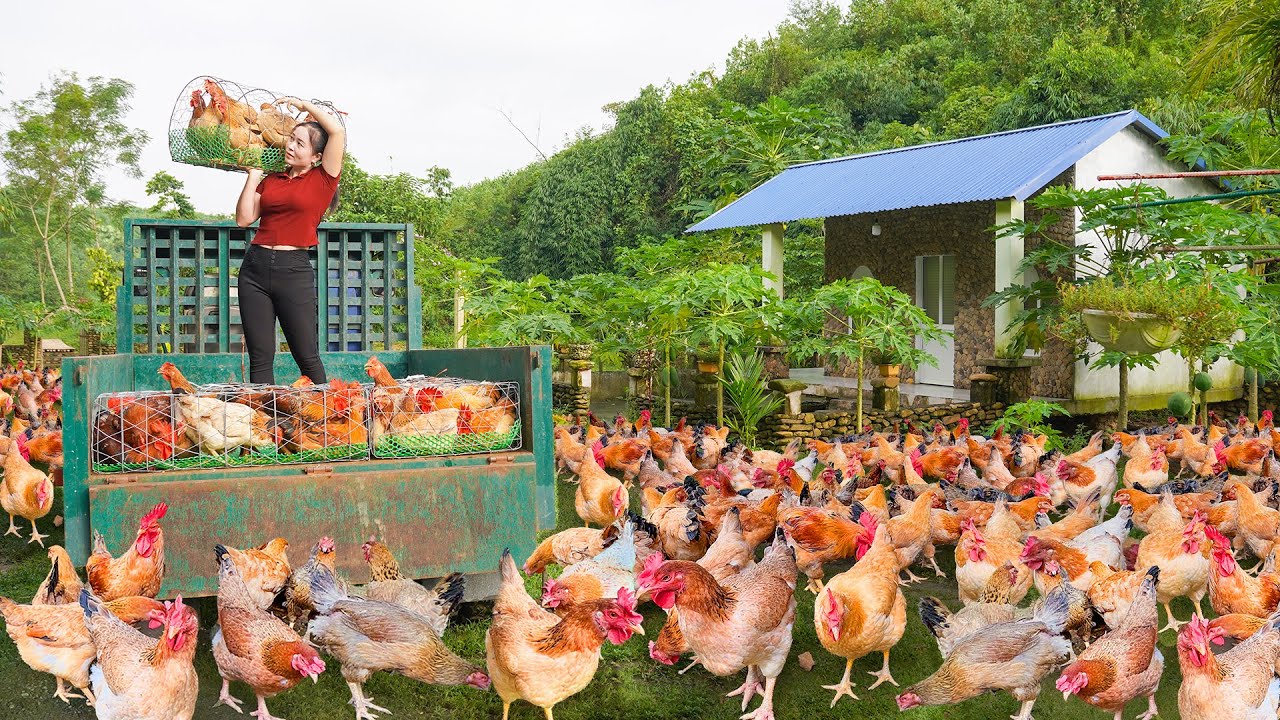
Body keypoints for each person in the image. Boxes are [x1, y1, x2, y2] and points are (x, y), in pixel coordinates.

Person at [234, 97, 345, 384]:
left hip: (293, 271)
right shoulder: (273, 179)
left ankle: (325, 410)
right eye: (291, 139)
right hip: (254, 269)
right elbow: (244, 219)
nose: (291, 146)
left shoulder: (324, 179)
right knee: (260, 357)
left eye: (300, 143)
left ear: (316, 156)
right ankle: (263, 414)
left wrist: (305, 106)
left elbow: (337, 132)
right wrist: (253, 176)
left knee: (306, 355)